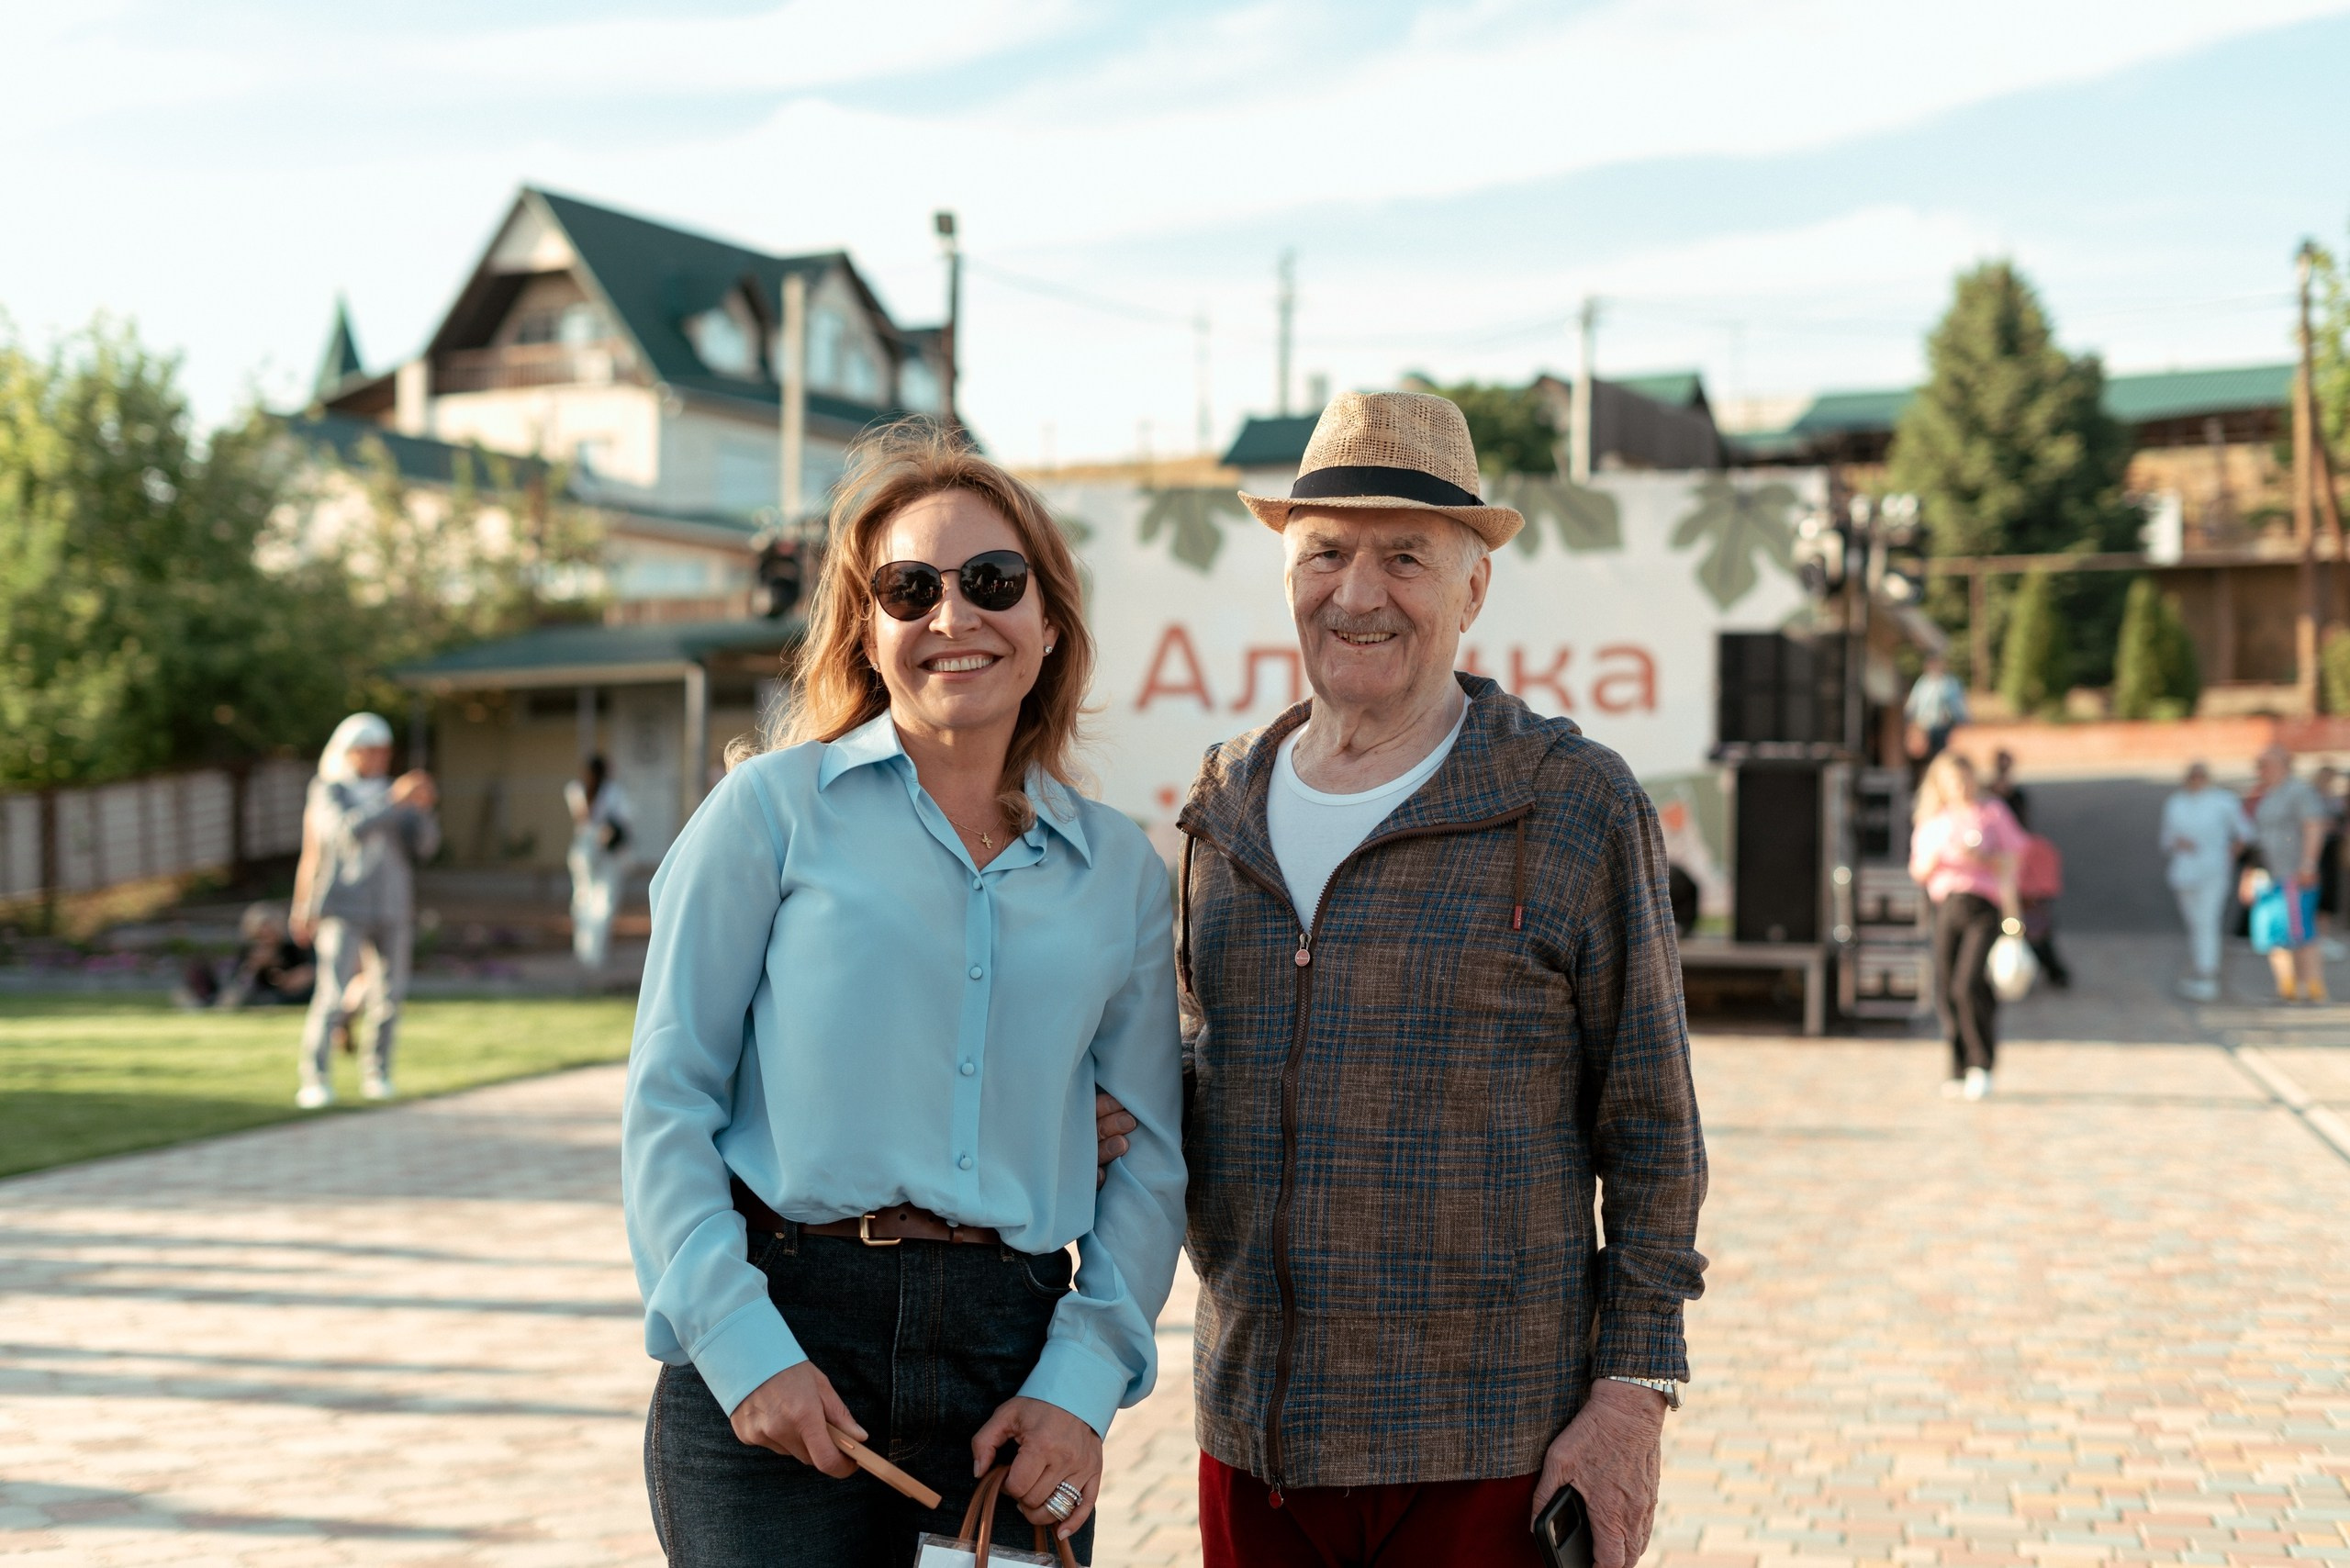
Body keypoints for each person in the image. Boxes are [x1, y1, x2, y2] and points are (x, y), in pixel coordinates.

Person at [1107, 391, 1707, 1567]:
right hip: (1254, 1440)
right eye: (1325, 552)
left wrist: (1632, 1394)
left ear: (1474, 586)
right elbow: (1202, 1077)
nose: (1358, 591)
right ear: (1286, 573)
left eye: (1405, 557)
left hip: (1491, 1448)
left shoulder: (1571, 803)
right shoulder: (1218, 808)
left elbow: (1652, 1131)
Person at [621, 424, 1186, 1567]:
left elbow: (1153, 1161)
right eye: (908, 588)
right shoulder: (767, 817)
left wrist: (1079, 1384)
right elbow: (666, 1103)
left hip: (1012, 1367)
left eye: (991, 581)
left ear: (1047, 621)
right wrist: (741, 1345)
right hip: (786, 1325)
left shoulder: (1121, 871)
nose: (952, 615)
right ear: (865, 629)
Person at [290, 713, 438, 1107]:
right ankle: (315, 1077)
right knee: (332, 994)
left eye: (384, 751)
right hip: (344, 905)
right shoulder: (329, 790)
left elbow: (424, 848)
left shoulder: (395, 791)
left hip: (392, 906)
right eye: (371, 750)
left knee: (389, 996)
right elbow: (342, 832)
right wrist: (393, 801)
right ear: (351, 752)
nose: (379, 758)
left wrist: (423, 810)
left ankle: (378, 1072)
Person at [1908, 750, 2025, 1100]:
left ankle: (1981, 1062)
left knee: (1968, 984)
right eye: (1952, 781)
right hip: (1948, 905)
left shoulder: (1991, 814)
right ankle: (1957, 1066)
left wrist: (1983, 859)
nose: (1960, 787)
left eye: (1964, 778)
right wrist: (1937, 858)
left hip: (1983, 905)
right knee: (1947, 987)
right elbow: (1918, 870)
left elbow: (2016, 858)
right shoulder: (1935, 821)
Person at [2160, 761, 2251, 1002]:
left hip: (2214, 869)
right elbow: (2166, 838)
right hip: (2185, 869)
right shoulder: (2176, 802)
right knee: (2195, 921)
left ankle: (2207, 972)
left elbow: (2244, 832)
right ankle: (2202, 967)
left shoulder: (2223, 801)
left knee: (2207, 920)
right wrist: (2178, 843)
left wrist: (2230, 852)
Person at [2246, 745, 2329, 1002]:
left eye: (2264, 765)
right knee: (2273, 932)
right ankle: (2287, 985)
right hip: (2270, 874)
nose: (2260, 771)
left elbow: (2314, 827)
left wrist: (2308, 864)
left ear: (2282, 765)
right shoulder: (2268, 795)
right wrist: (2249, 873)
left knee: (2301, 931)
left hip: (2294, 873)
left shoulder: (2299, 792)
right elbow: (2257, 840)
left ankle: (2313, 986)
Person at [563, 755, 632, 982]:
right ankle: (591, 953)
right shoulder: (606, 792)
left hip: (592, 852)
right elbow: (615, 822)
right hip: (596, 852)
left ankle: (589, 953)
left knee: (588, 901)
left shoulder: (581, 790)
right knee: (597, 903)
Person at [1904, 653, 1969, 766]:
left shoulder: (1949, 683)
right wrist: (1910, 723)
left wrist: (1963, 721)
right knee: (1922, 759)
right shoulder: (1922, 684)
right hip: (1924, 728)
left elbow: (1957, 706)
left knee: (1940, 757)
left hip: (1942, 727)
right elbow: (1912, 705)